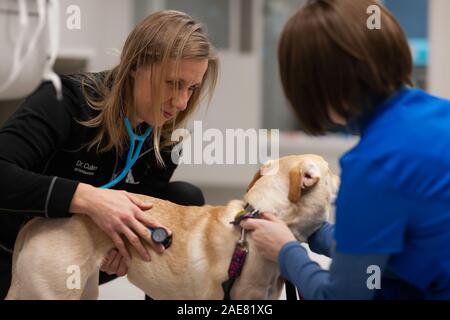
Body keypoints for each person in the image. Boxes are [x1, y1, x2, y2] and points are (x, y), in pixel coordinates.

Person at [0, 10, 218, 299]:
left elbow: (143, 210)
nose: (181, 102)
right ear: (136, 65)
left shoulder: (166, 138)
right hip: (13, 248)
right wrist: (87, 198)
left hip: (87, 253)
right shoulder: (64, 99)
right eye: (173, 83)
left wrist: (122, 247)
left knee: (185, 198)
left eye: (191, 88)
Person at [241, 0, 450, 300]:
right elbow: (390, 251)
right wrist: (312, 232)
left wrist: (286, 251)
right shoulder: (439, 115)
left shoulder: (374, 163)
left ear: (317, 84)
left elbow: (340, 296)